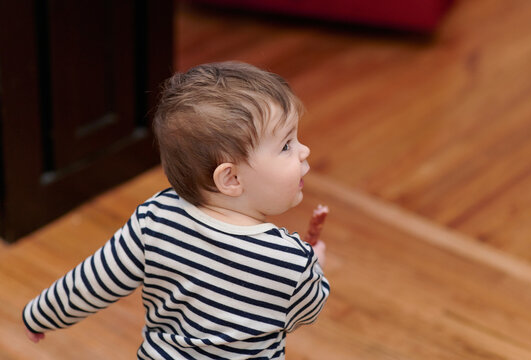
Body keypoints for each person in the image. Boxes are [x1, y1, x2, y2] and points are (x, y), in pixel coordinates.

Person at [22, 61, 330, 359]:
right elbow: (304, 313)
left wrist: (39, 315)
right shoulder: (288, 260)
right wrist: (314, 266)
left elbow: (93, 281)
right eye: (286, 145)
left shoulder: (155, 217)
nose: (305, 150)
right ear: (231, 178)